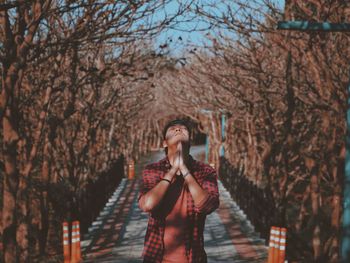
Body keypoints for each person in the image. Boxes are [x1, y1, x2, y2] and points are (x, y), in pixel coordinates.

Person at [138, 119, 220, 263]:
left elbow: (208, 205)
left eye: (183, 128)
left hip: (193, 257)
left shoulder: (205, 171)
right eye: (173, 129)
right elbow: (147, 205)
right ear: (164, 143)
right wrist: (173, 170)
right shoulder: (152, 170)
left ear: (190, 141)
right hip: (156, 256)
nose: (178, 130)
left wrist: (184, 169)